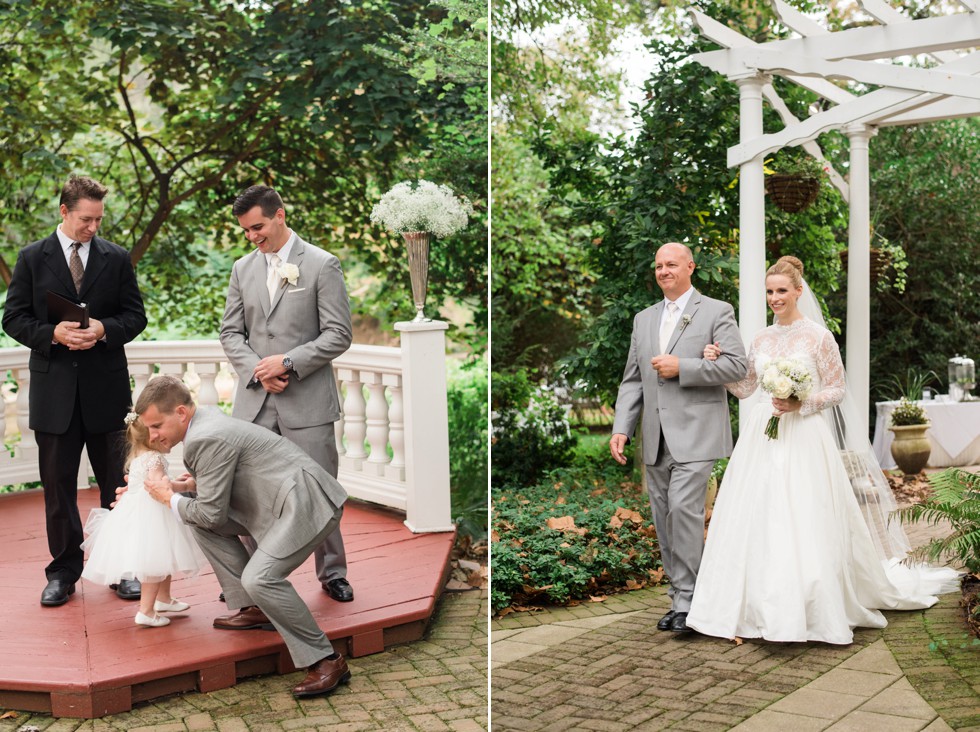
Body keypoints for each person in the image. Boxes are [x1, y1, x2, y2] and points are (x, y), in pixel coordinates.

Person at [687, 256, 959, 644]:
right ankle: (754, 604)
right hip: (762, 435)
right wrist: (713, 363)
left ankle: (811, 604)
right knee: (759, 513)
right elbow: (746, 388)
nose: (775, 297)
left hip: (805, 435)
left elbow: (837, 389)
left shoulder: (818, 336)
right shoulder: (761, 338)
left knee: (803, 513)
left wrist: (802, 402)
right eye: (769, 291)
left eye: (782, 290)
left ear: (799, 291)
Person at [138, 376, 351, 697]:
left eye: (156, 426)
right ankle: (256, 609)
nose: (153, 436)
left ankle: (326, 660)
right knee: (195, 517)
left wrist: (170, 498)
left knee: (261, 577)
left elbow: (212, 513)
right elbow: (222, 482)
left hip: (306, 503)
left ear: (181, 413)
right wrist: (180, 489)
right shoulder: (204, 419)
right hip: (278, 499)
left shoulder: (204, 437)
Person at [2, 174, 147, 607]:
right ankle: (63, 573)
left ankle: (123, 568)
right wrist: (53, 334)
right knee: (58, 487)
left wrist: (105, 329)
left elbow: (135, 317)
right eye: (86, 219)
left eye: (99, 220)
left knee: (117, 485)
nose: (94, 228)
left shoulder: (117, 258)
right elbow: (13, 319)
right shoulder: (31, 257)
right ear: (64, 212)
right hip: (55, 395)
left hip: (107, 391)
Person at [219, 185, 355, 603]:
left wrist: (289, 363)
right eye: (245, 231)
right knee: (251, 492)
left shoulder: (321, 264)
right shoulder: (243, 269)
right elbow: (230, 332)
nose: (252, 237)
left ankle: (332, 573)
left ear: (280, 214)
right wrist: (260, 373)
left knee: (319, 490)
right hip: (256, 404)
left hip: (308, 403)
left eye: (257, 227)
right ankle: (254, 579)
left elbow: (339, 334)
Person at [610, 242, 748, 634]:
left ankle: (690, 602)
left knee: (684, 512)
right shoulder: (643, 319)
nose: (663, 270)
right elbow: (632, 380)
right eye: (658, 266)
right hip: (654, 437)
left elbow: (736, 366)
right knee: (664, 518)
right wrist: (622, 427)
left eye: (671, 264)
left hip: (697, 433)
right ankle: (681, 597)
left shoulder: (717, 311)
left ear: (690, 266)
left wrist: (682, 367)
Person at [81, 412, 207, 627]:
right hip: (153, 515)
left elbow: (147, 483)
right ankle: (146, 611)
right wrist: (185, 486)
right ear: (152, 438)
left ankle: (164, 599)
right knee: (154, 563)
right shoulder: (155, 458)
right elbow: (159, 485)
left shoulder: (139, 457)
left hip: (140, 512)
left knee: (164, 557)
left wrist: (172, 481)